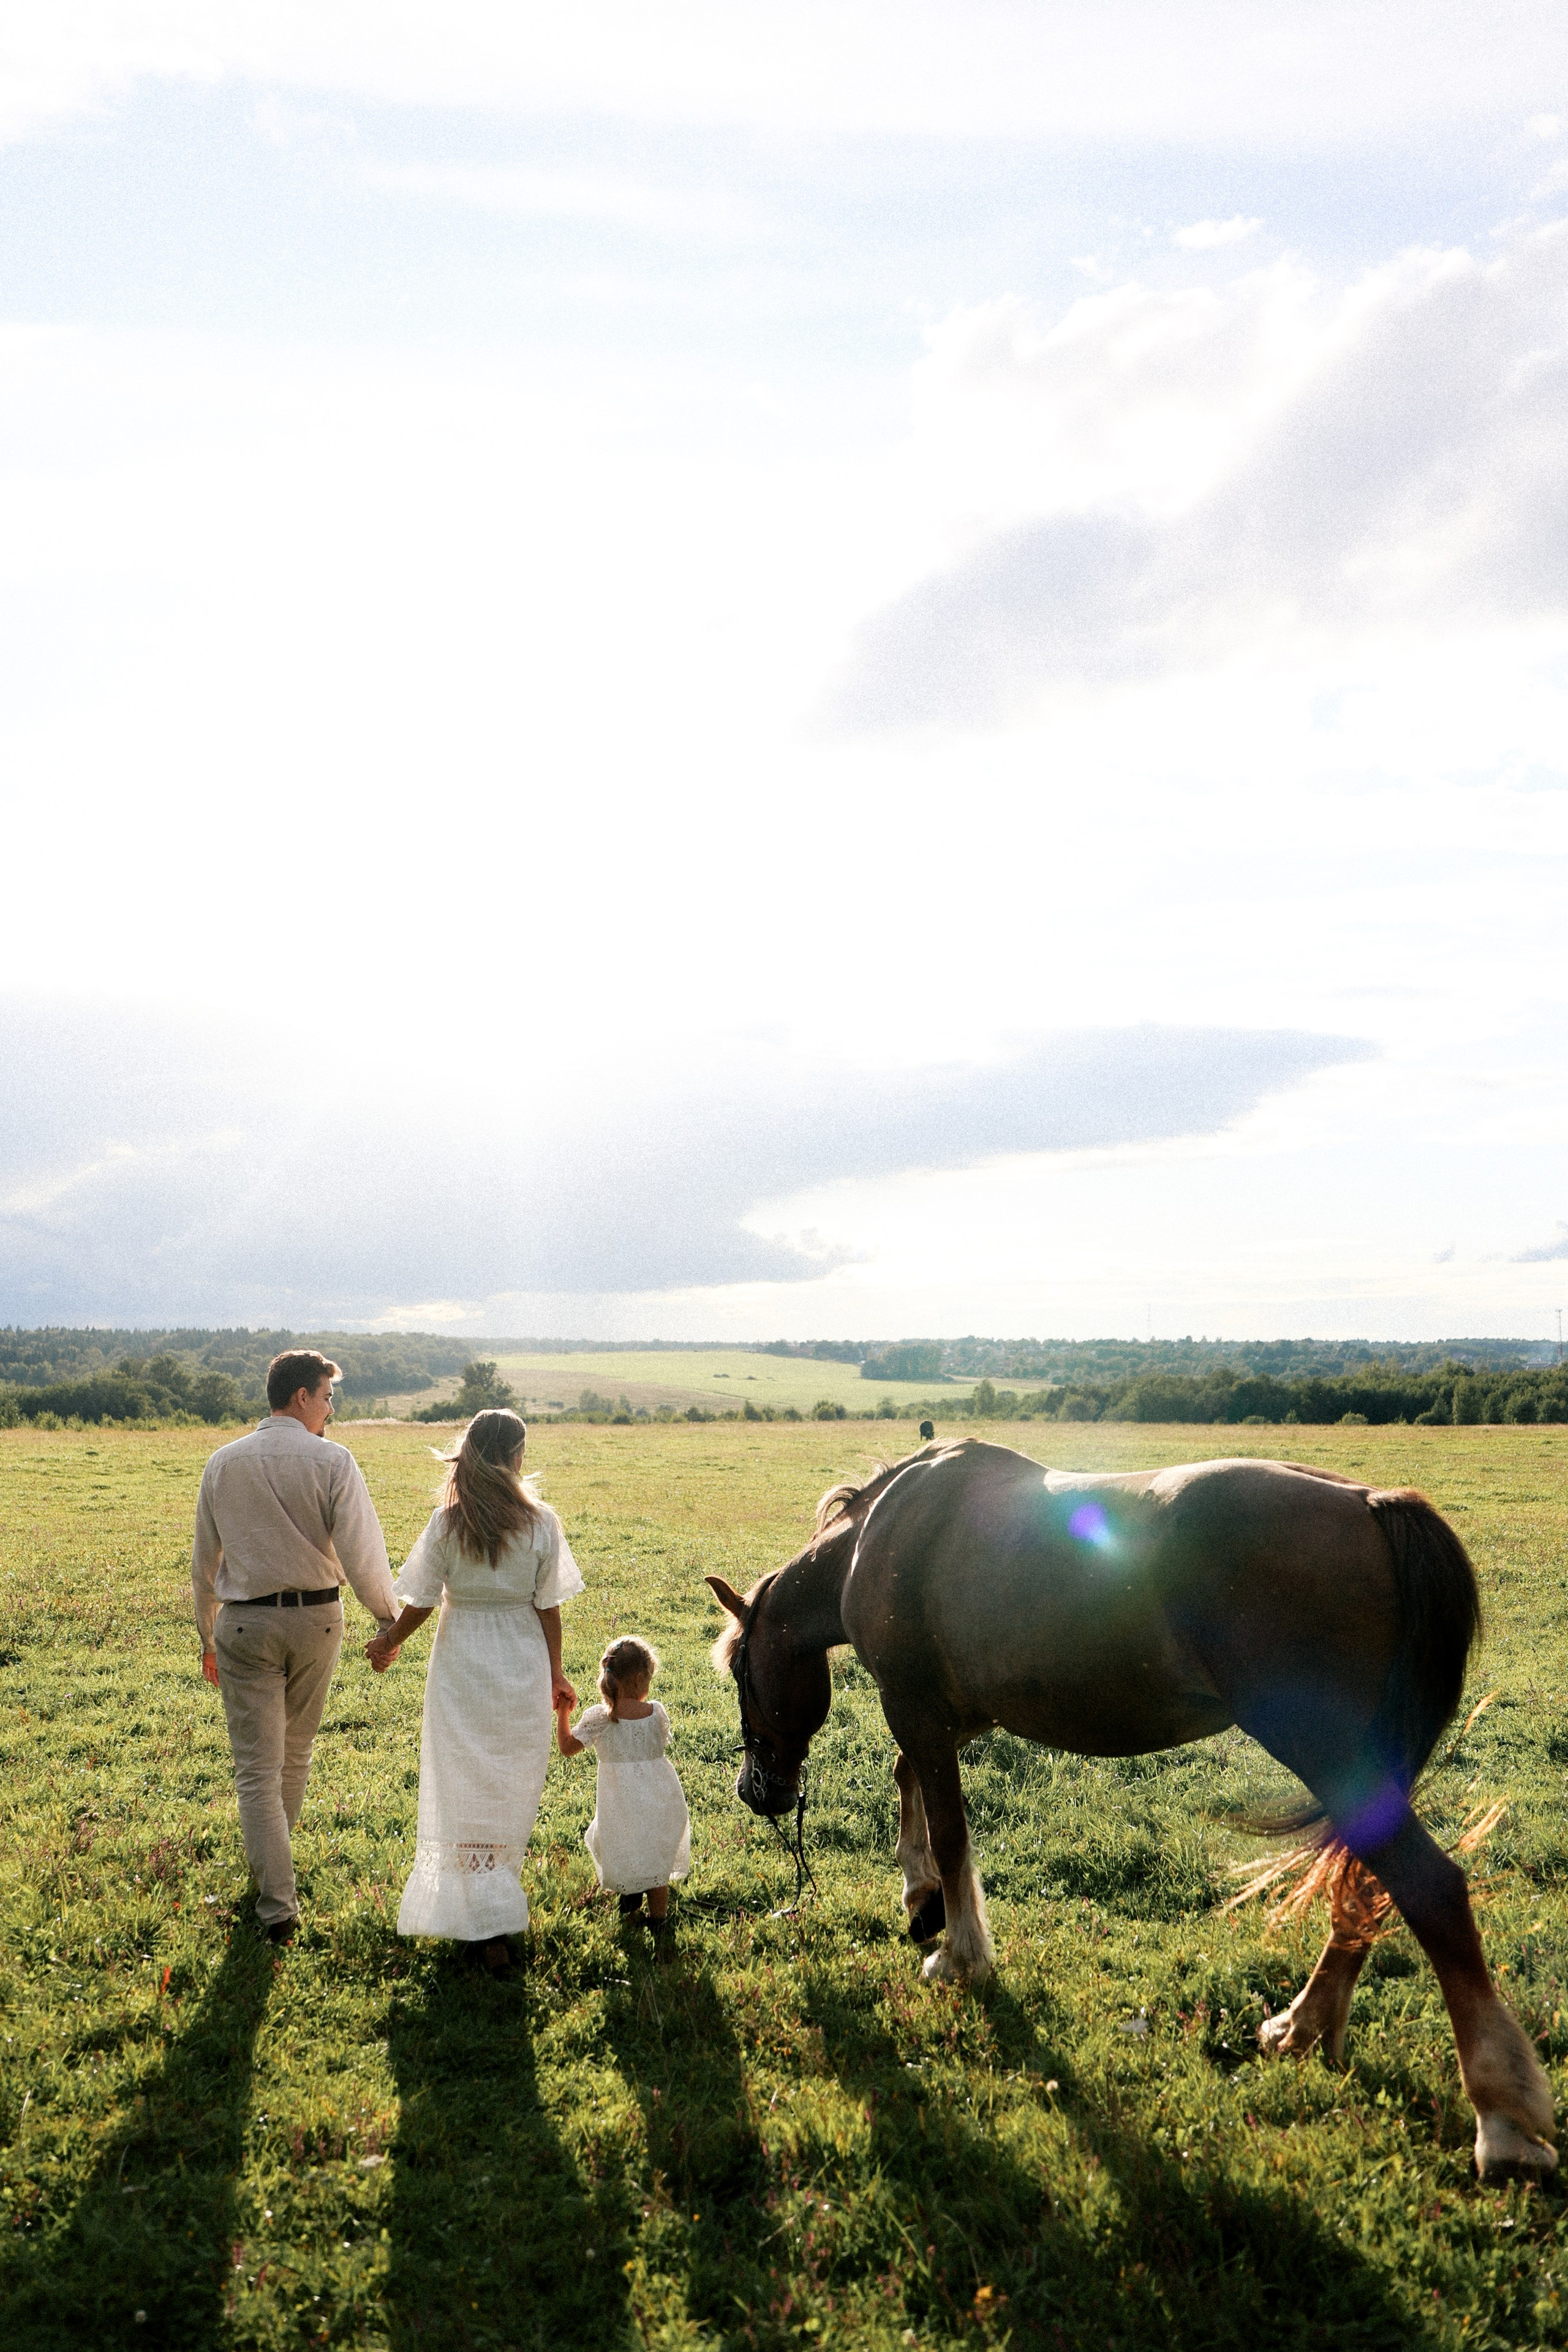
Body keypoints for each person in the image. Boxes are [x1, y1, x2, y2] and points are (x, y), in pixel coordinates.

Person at [192, 1348, 398, 1945]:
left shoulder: (222, 1462)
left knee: (257, 1769)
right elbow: (363, 1554)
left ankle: (275, 1897)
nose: (331, 1411)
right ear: (302, 1396)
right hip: (316, 1622)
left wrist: (206, 1635)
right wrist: (387, 1622)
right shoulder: (333, 1460)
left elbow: (206, 1562)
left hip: (244, 1625)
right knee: (295, 1755)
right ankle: (276, 1895)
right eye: (328, 1397)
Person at [366, 1409, 581, 1974]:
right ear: (514, 1457)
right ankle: (492, 1913)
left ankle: (475, 1912)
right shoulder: (541, 1523)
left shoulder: (448, 1523)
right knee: (510, 1780)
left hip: (461, 1656)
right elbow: (548, 1606)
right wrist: (556, 1670)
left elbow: (423, 1599)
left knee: (462, 1776)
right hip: (520, 1654)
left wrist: (390, 1639)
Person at [556, 1636, 690, 1946]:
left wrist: (563, 1714)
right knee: (657, 1863)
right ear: (642, 1678)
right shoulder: (656, 1713)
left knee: (628, 1856)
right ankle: (659, 1922)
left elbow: (566, 1748)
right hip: (659, 1801)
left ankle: (630, 1918)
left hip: (621, 1807)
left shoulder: (599, 1720)